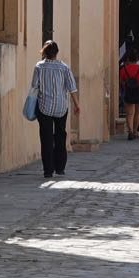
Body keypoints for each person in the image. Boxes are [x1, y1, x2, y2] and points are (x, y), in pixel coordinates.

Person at [31, 40, 79, 178]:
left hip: (44, 106)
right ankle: (60, 167)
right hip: (61, 107)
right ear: (57, 53)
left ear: (44, 52)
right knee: (60, 136)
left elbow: (34, 85)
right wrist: (77, 104)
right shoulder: (64, 67)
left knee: (46, 138)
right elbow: (72, 88)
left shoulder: (39, 67)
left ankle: (48, 170)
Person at [119, 50, 139, 141]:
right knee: (137, 112)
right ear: (137, 59)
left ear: (128, 59)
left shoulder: (124, 69)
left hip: (128, 92)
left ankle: (130, 131)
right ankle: (135, 131)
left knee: (129, 113)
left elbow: (121, 82)